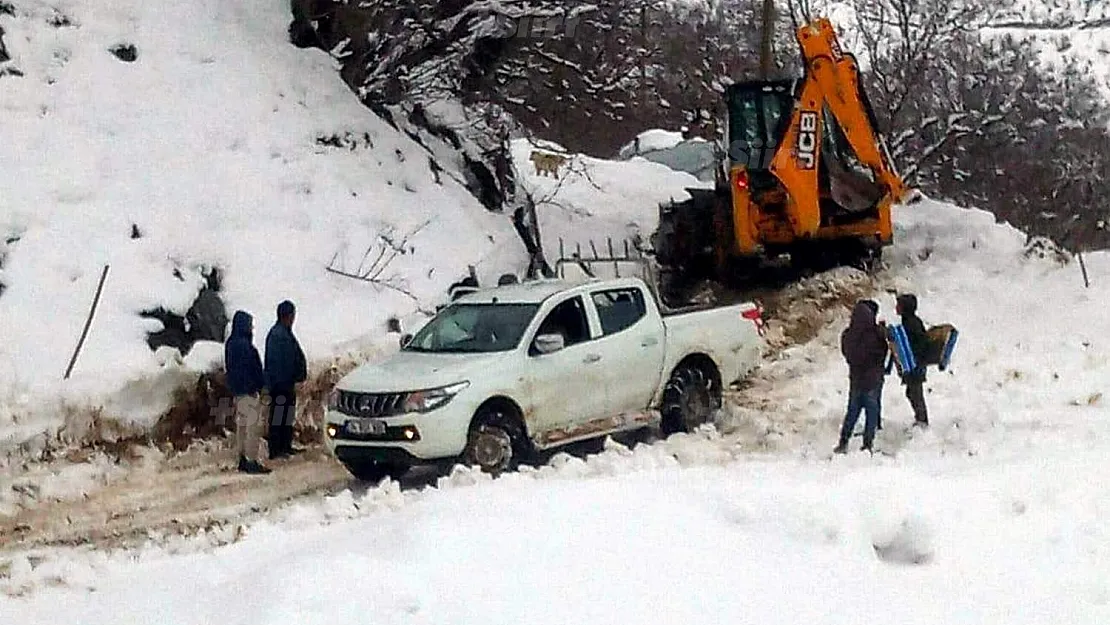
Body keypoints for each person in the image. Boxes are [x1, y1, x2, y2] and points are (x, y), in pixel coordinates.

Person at [834, 300, 888, 454]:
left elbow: (847, 353)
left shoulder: (847, 334)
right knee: (871, 412)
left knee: (852, 411)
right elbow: (883, 352)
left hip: (856, 379)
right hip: (873, 380)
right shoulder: (876, 335)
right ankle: (867, 444)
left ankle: (843, 442)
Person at [224, 311, 270, 474]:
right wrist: (260, 386)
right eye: (250, 325)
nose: (252, 328)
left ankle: (242, 458)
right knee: (252, 428)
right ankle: (251, 460)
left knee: (241, 427)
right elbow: (254, 369)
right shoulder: (246, 346)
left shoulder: (230, 343)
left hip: (237, 392)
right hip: (249, 392)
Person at [265, 300, 307, 459]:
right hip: (280, 384)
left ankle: (285, 446)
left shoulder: (283, 333)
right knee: (279, 417)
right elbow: (279, 362)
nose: (293, 319)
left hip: (285, 383)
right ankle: (277, 449)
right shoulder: (278, 335)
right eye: (292, 315)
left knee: (286, 416)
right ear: (287, 316)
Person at [896, 293, 929, 427]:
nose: (896, 307)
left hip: (915, 364)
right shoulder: (911, 321)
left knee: (915, 393)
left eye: (899, 305)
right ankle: (920, 419)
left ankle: (922, 421)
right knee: (912, 392)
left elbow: (916, 344)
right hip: (916, 363)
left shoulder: (910, 324)